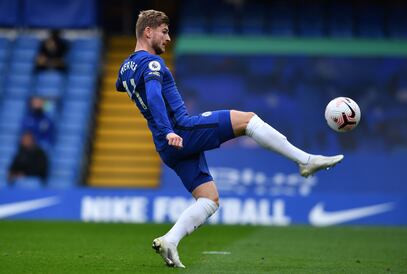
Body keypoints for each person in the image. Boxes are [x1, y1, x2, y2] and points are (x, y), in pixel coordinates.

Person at [116, 10, 344, 268]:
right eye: (164, 31)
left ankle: (170, 240)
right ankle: (305, 160)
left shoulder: (126, 68)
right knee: (247, 120)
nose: (168, 38)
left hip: (166, 148)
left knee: (209, 200)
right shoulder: (153, 64)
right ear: (148, 31)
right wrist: (169, 128)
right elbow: (155, 96)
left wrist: (163, 130)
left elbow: (120, 85)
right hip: (181, 131)